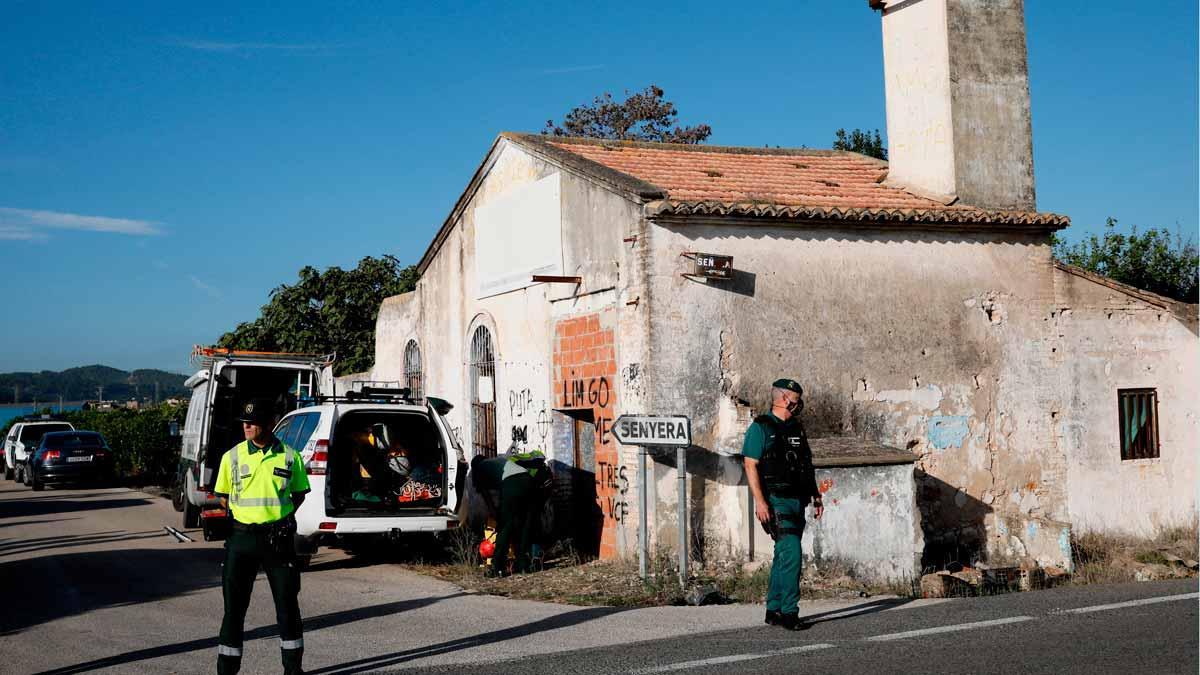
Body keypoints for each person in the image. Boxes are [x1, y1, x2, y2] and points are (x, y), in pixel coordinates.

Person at [213, 398, 310, 675]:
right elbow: (223, 497)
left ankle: (293, 670)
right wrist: (246, 517)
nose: (246, 426)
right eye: (244, 422)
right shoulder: (231, 457)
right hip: (241, 540)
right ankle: (226, 671)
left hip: (277, 542)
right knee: (233, 610)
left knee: (288, 607)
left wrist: (277, 516)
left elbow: (299, 493)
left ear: (269, 425)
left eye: (252, 422)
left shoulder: (291, 457)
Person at [742, 378, 824, 631]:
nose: (798, 404)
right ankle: (790, 613)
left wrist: (816, 496)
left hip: (797, 499)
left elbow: (806, 464)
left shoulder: (797, 428)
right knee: (792, 553)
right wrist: (760, 502)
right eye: (795, 399)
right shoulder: (761, 427)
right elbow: (750, 464)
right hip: (775, 500)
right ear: (783, 398)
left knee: (783, 554)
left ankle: (773, 609)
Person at [470, 448, 549, 576]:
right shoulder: (498, 461)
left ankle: (498, 568)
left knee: (505, 526)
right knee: (524, 526)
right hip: (529, 482)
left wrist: (494, 512)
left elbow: (486, 494)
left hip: (513, 483)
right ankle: (523, 566)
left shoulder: (480, 467)